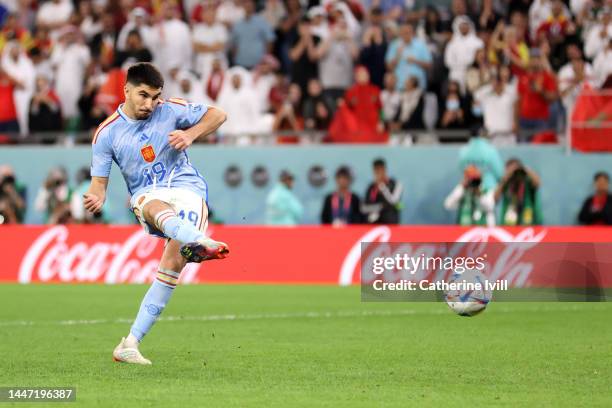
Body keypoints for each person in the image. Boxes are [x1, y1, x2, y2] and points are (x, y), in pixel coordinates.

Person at [83, 63, 229, 365]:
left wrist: (192, 134)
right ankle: (198, 241)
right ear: (126, 90)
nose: (150, 103)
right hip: (147, 194)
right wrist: (96, 196)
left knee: (171, 267)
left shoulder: (171, 109)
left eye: (155, 96)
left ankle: (130, 344)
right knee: (152, 205)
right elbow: (99, 185)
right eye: (143, 95)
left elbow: (219, 114)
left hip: (187, 187)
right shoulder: (106, 133)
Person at [495, 158, 543, 225]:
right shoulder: (506, 183)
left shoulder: (527, 182)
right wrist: (506, 177)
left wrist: (525, 169)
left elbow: (538, 183)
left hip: (529, 224)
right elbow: (495, 198)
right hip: (509, 224)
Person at [362, 158, 402, 224]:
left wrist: (382, 187)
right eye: (375, 170)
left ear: (384, 170)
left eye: (379, 170)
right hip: (374, 224)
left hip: (391, 223)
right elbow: (364, 208)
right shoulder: (371, 187)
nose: (378, 173)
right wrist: (380, 207)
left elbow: (394, 202)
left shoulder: (396, 184)